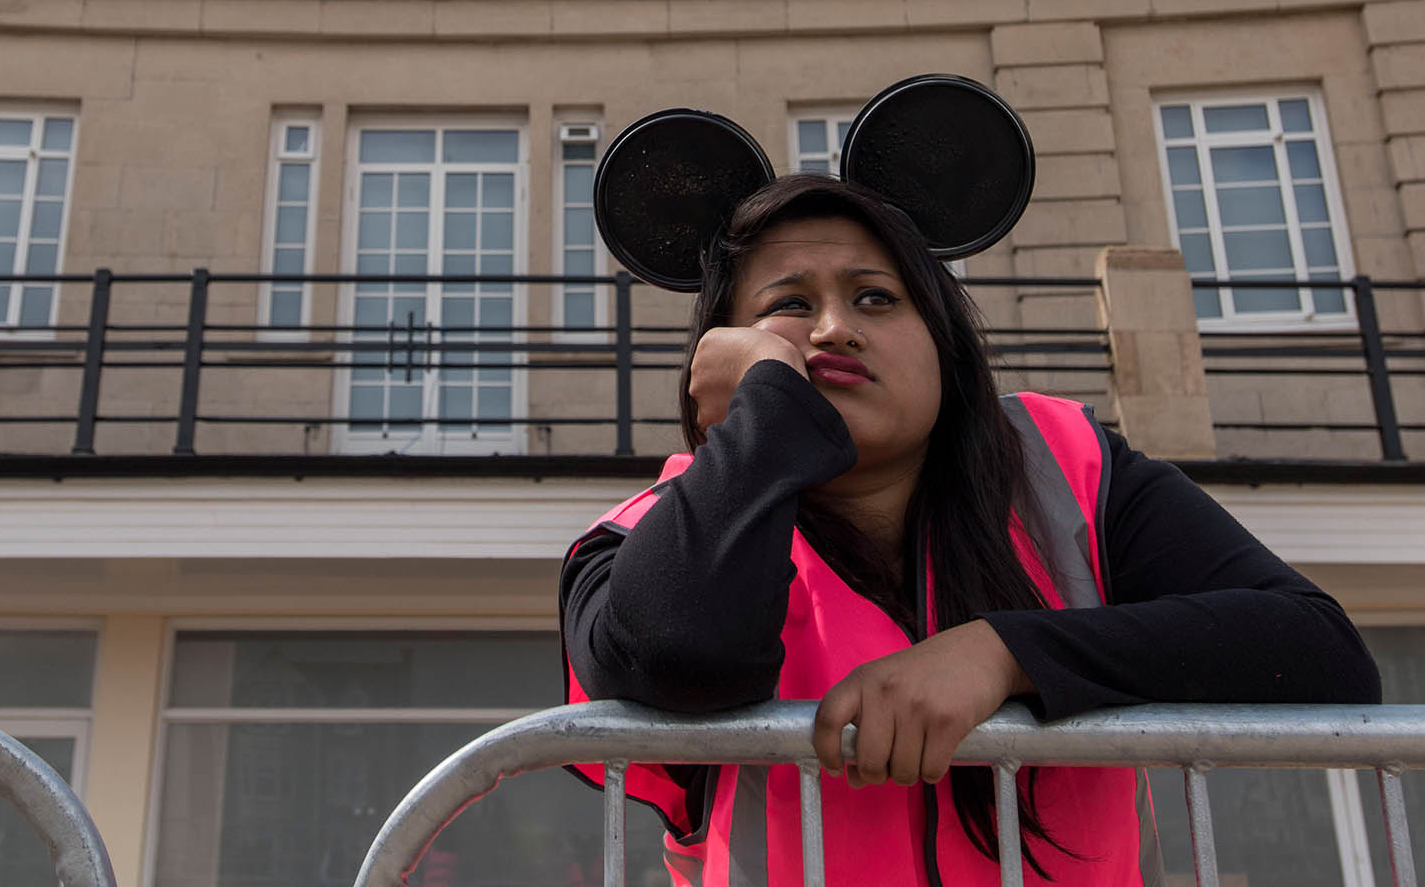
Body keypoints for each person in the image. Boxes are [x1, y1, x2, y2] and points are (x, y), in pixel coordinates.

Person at [560, 173, 1381, 885]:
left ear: (942, 344)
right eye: (789, 306)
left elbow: (1319, 653)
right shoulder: (645, 537)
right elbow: (681, 658)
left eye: (875, 297)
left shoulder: (1069, 469)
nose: (834, 328)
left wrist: (1007, 653)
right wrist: (767, 408)